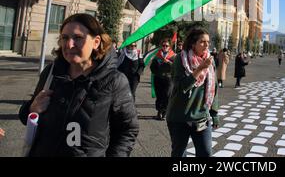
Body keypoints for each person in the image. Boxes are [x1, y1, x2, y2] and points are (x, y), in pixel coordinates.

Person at [18, 13, 139, 157]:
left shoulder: (114, 81)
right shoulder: (51, 73)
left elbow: (127, 129)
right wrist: (32, 109)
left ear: (96, 42)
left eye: (78, 38)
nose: (69, 44)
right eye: (65, 38)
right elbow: (26, 116)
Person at [166, 28, 219, 157]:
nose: (206, 45)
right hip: (179, 117)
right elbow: (182, 86)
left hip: (201, 117)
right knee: (179, 154)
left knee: (206, 153)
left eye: (208, 42)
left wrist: (214, 113)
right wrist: (200, 69)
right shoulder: (180, 59)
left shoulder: (209, 61)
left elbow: (214, 88)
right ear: (193, 44)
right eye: (202, 42)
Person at [150, 38, 175, 120]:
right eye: (163, 45)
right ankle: (159, 112)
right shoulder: (157, 56)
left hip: (168, 79)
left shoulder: (173, 56)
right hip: (158, 78)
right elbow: (152, 67)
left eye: (166, 46)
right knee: (159, 96)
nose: (164, 47)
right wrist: (157, 72)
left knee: (167, 95)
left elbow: (176, 67)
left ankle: (164, 112)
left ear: (169, 47)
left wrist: (168, 62)